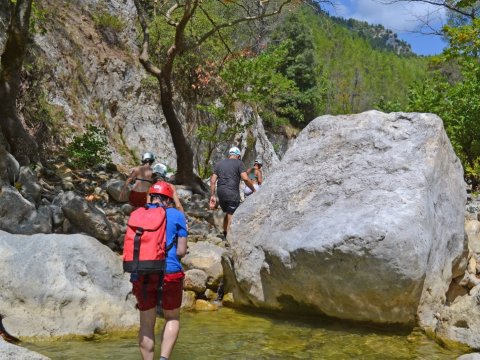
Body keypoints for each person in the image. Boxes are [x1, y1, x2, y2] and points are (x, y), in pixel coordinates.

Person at [131, 181, 188, 360]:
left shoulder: (138, 214)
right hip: (170, 272)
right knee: (172, 318)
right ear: (169, 199)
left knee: (146, 323)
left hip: (143, 272)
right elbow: (181, 251)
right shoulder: (177, 216)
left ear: (151, 197)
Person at [209, 146, 256, 238]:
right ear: (238, 156)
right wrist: (253, 189)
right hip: (232, 193)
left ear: (229, 155)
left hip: (220, 192)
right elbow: (245, 178)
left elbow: (212, 180)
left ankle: (225, 234)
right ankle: (230, 238)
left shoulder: (219, 164)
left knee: (228, 212)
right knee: (232, 215)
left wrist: (212, 195)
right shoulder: (239, 163)